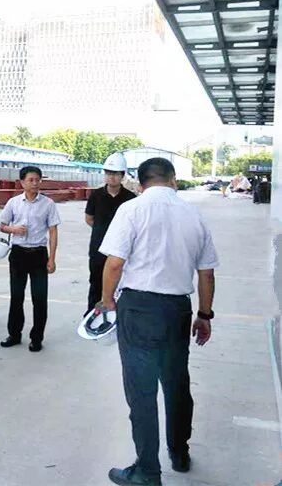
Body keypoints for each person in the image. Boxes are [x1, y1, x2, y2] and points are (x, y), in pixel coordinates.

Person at [99, 158, 218, 486]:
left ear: (140, 184)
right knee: (176, 384)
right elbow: (206, 273)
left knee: (142, 391)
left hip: (139, 309)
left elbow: (114, 264)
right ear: (173, 180)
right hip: (177, 310)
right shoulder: (193, 214)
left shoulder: (132, 210)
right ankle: (179, 453)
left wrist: (108, 301)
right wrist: (204, 315)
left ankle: (148, 471)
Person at [0, 165, 60, 352]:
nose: (35, 183)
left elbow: (53, 231)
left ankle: (37, 338)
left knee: (39, 298)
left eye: (37, 180)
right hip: (18, 254)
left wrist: (52, 258)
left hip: (39, 254)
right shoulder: (14, 203)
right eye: (31, 180)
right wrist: (14, 229)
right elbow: (2, 226)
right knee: (16, 296)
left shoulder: (48, 204)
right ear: (22, 182)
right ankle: (14, 334)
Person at [84, 152, 136, 316]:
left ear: (122, 175)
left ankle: (117, 316)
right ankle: (92, 313)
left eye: (115, 173)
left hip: (122, 249)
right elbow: (89, 218)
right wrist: (104, 232)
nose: (111, 177)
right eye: (108, 173)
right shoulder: (96, 195)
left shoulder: (130, 198)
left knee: (120, 283)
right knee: (96, 281)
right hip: (98, 247)